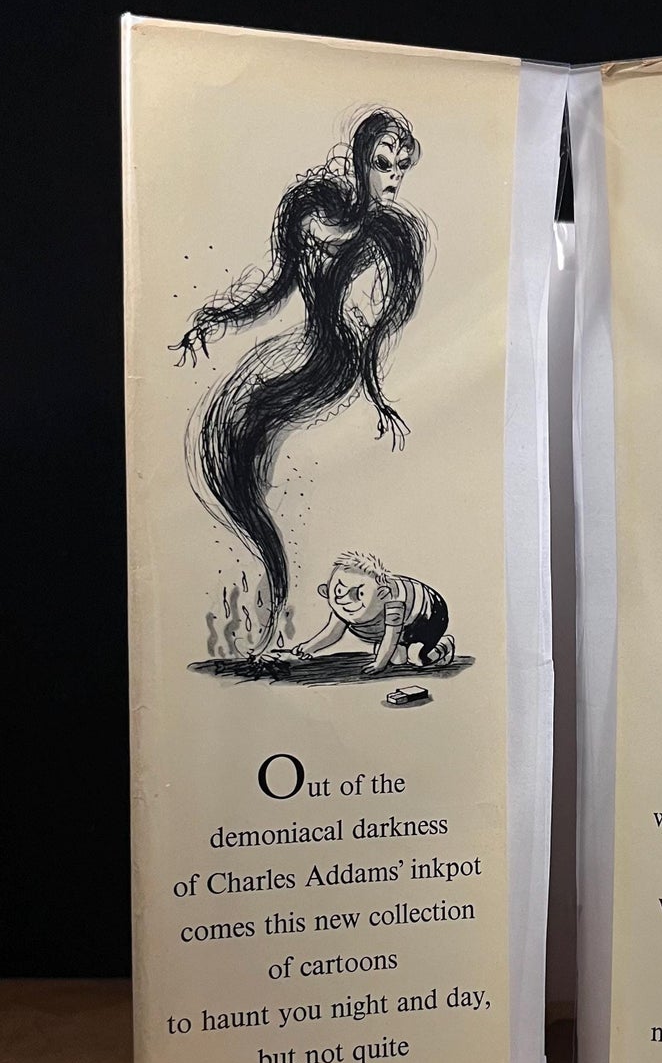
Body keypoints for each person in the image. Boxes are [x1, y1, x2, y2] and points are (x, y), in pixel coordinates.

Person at [173, 109, 429, 652]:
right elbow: (278, 285)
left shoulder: (397, 239)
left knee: (251, 435)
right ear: (360, 159)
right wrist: (220, 317)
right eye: (382, 163)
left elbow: (376, 332)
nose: (392, 178)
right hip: (306, 346)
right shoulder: (311, 205)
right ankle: (258, 600)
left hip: (333, 366)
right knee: (226, 431)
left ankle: (270, 605)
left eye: (401, 167)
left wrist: (377, 394)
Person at [280, 551, 454, 676]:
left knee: (418, 659)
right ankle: (402, 648)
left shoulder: (394, 604)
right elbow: (332, 632)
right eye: (339, 591)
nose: (345, 599)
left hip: (428, 618)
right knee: (398, 660)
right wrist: (308, 648)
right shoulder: (342, 608)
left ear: (382, 595)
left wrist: (379, 664)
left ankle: (445, 644)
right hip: (404, 628)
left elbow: (390, 637)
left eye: (358, 594)